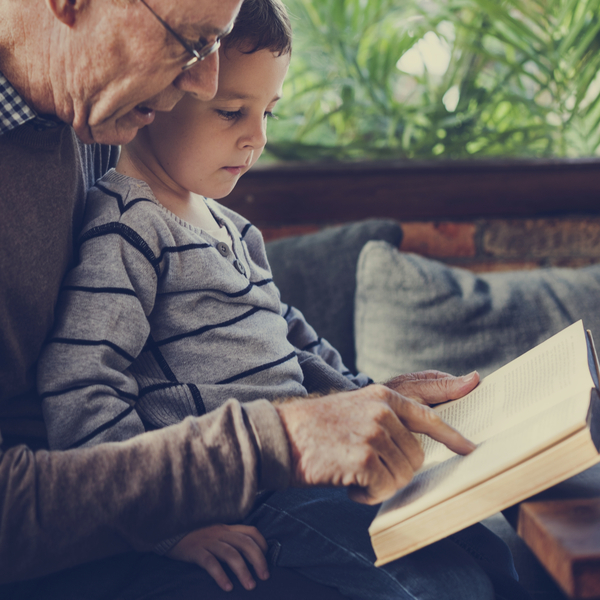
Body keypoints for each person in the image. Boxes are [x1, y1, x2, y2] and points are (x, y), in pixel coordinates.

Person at [35, 2, 531, 599]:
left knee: (482, 544)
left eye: (267, 112)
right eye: (231, 112)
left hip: (311, 466)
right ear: (161, 94)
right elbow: (80, 386)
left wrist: (371, 395)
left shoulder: (233, 229)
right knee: (437, 586)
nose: (257, 137)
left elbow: (295, 339)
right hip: (251, 491)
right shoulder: (127, 229)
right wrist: (168, 530)